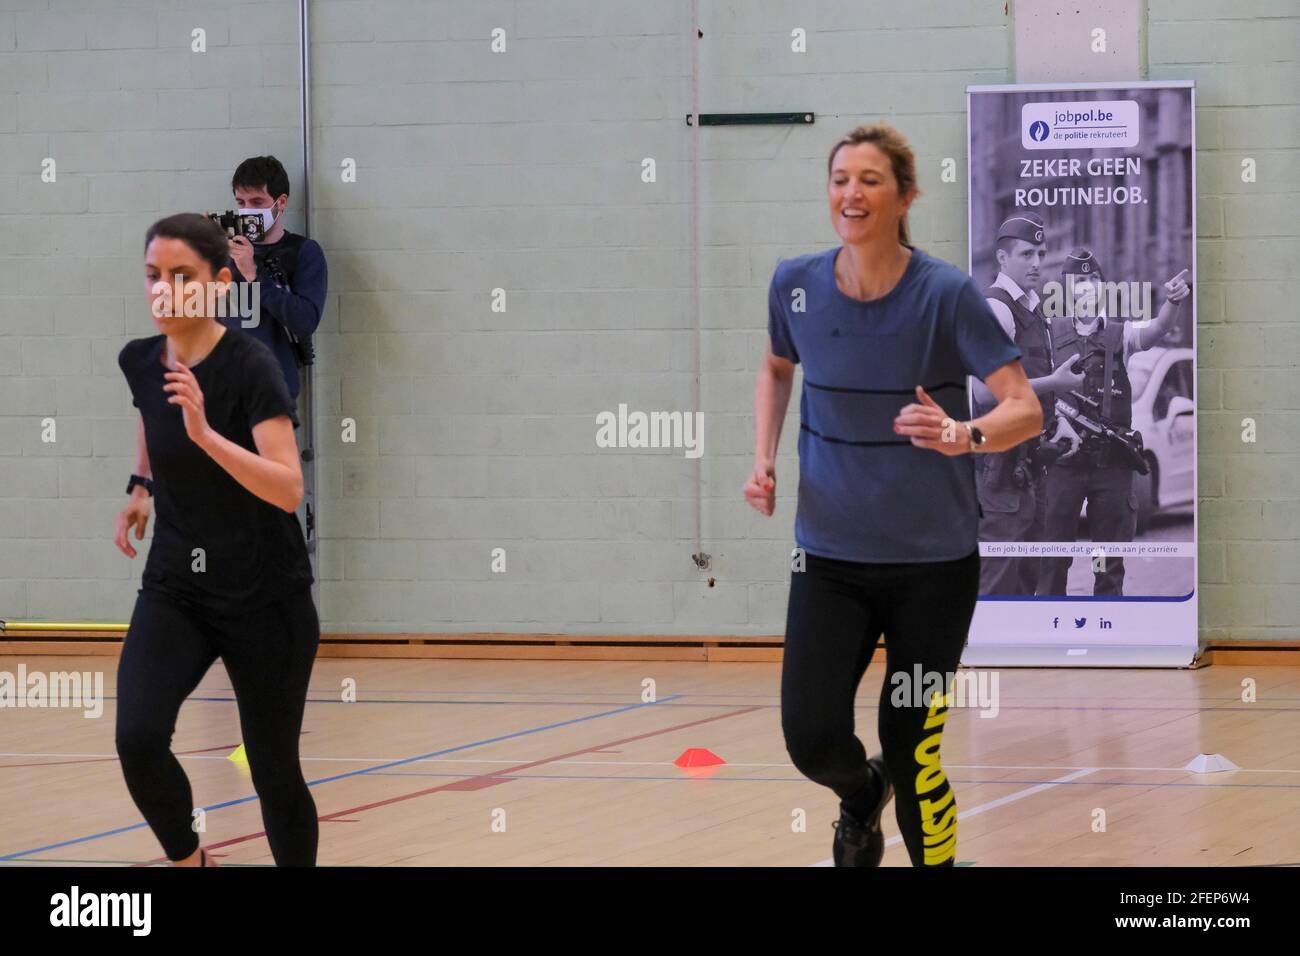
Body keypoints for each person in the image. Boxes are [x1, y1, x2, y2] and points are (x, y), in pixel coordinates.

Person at [744, 123, 1042, 867]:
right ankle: (857, 795)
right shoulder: (795, 284)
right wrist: (763, 459)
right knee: (811, 739)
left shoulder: (945, 295)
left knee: (912, 748)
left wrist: (963, 434)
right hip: (830, 560)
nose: (852, 192)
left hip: (933, 569)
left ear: (904, 195)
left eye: (870, 179)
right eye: (841, 178)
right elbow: (778, 368)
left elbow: (1024, 408)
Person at [114, 213, 320, 867]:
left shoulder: (250, 366)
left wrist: (207, 436)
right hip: (179, 583)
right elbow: (155, 416)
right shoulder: (139, 360)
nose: (165, 291)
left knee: (273, 773)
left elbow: (288, 488)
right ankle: (191, 860)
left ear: (220, 283)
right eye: (153, 277)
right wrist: (140, 486)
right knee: (138, 737)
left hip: (266, 594)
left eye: (182, 277)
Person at [1037, 248, 1191, 595]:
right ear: (1064, 289)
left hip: (1112, 462)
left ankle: (1106, 630)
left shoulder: (1119, 334)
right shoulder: (1049, 333)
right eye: (1079, 281)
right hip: (1063, 461)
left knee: (1107, 562)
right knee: (1054, 559)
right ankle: (1048, 634)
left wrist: (1173, 302)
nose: (1087, 287)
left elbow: (1156, 331)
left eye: (1093, 280)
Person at [970, 213, 1083, 595]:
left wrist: (1056, 421)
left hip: (1029, 465)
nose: (1037, 262)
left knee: (1027, 580)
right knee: (999, 580)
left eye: (1041, 253)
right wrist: (1055, 382)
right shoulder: (996, 307)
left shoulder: (1034, 308)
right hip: (998, 469)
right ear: (1002, 259)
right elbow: (984, 392)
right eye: (1026, 254)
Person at [223, 155, 327, 404]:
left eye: (257, 202)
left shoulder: (302, 252)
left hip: (272, 390)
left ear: (280, 203)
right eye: (241, 202)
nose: (248, 210)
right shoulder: (225, 253)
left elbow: (304, 321)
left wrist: (253, 275)